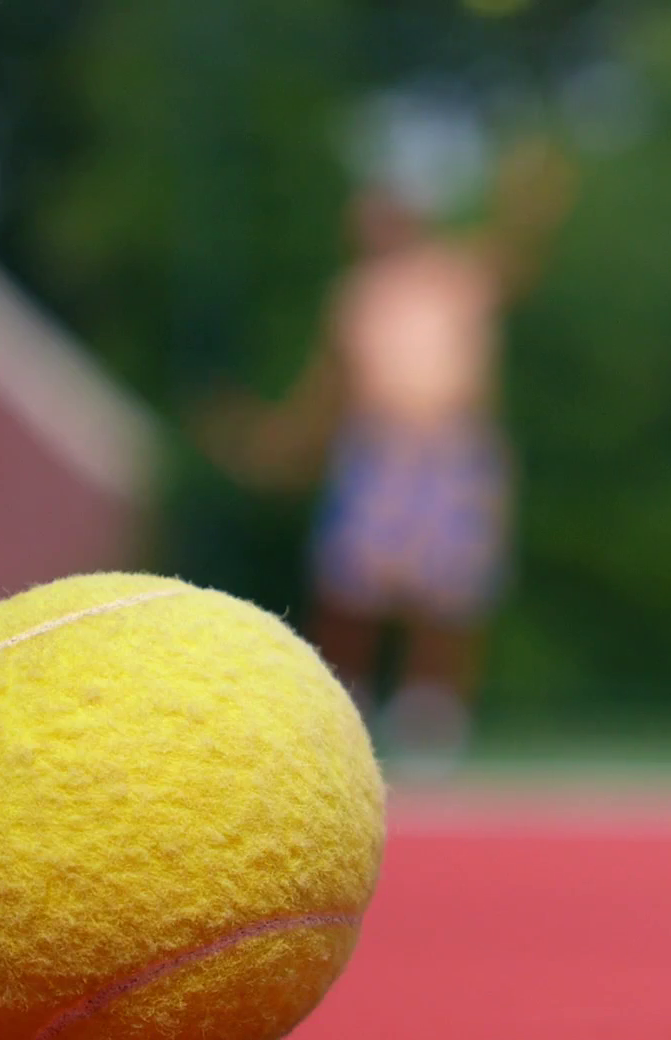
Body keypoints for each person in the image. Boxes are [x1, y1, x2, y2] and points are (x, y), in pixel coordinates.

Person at [202, 139, 577, 771]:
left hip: (451, 449)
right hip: (379, 452)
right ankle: (344, 711)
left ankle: (431, 721)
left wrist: (528, 207)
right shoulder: (355, 296)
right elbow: (330, 393)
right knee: (351, 587)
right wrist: (275, 443)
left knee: (449, 594)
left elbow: (516, 261)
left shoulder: (454, 275)